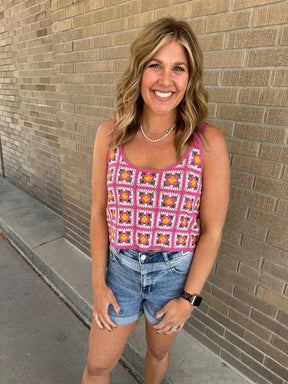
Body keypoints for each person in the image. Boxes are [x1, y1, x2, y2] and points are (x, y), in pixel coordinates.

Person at [82, 17, 230, 384]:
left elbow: (211, 231)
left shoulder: (207, 143)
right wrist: (99, 284)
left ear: (190, 77)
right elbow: (99, 213)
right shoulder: (110, 134)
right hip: (120, 274)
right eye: (155, 65)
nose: (166, 81)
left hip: (173, 279)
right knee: (98, 366)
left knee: (159, 351)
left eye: (178, 68)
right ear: (140, 70)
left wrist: (188, 300)